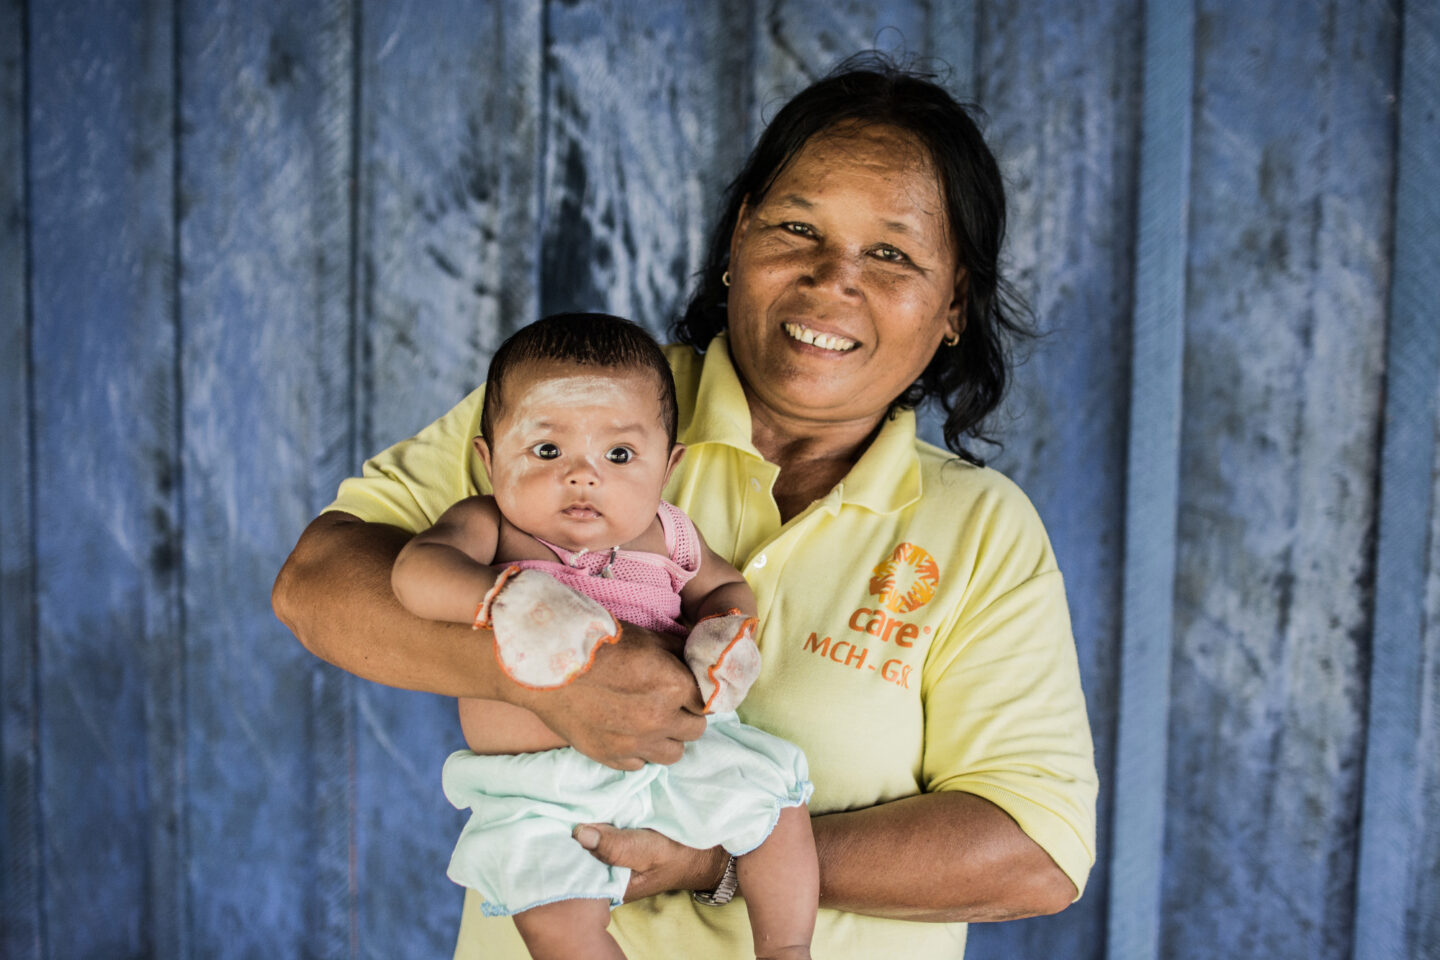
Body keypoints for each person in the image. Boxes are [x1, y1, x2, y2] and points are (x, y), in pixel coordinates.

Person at [273, 53, 1098, 959]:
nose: (834, 281)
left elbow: (1034, 852)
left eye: (892, 253)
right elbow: (318, 585)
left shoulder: (980, 528)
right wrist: (544, 673)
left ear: (954, 306)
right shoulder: (580, 406)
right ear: (739, 241)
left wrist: (716, 854)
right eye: (796, 227)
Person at [389, 313, 817, 960]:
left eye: (619, 455)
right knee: (557, 929)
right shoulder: (490, 529)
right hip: (539, 787)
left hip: (677, 750)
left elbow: (725, 591)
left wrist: (720, 636)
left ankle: (786, 948)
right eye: (546, 451)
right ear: (488, 457)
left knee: (776, 805)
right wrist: (504, 597)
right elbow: (415, 574)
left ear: (667, 467)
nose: (583, 476)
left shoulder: (670, 535)